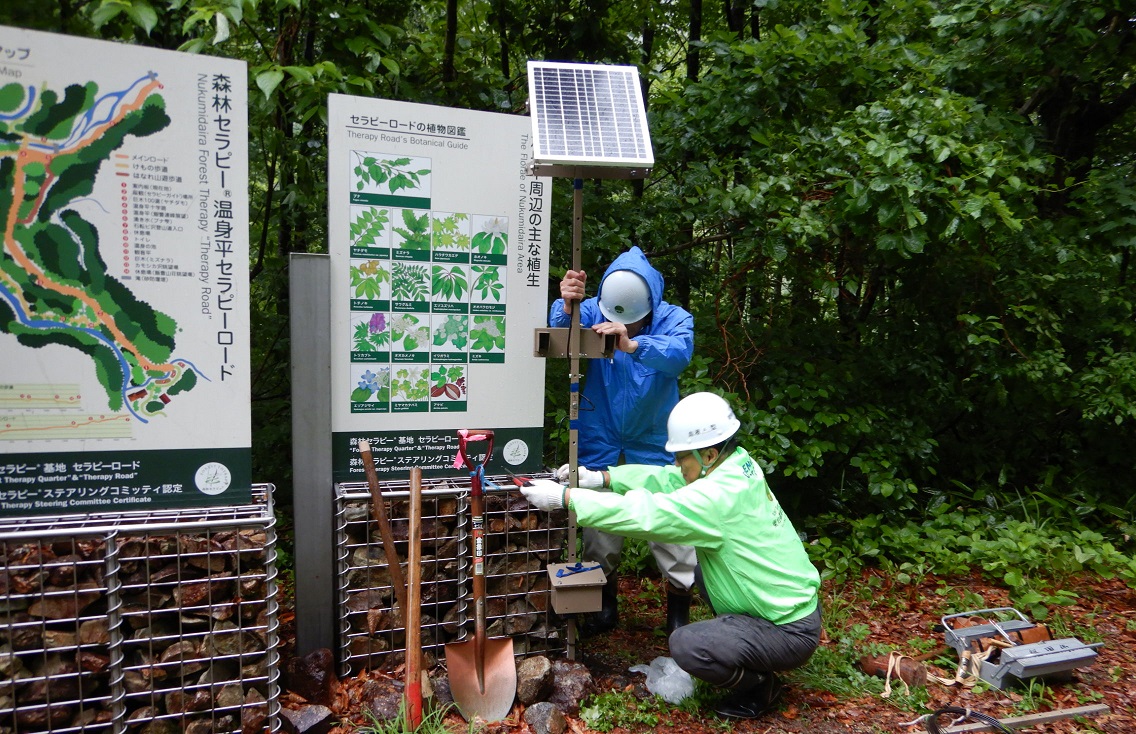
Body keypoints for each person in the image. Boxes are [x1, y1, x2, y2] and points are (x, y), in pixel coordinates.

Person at [520, 392, 822, 720]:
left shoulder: (717, 497)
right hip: (792, 607)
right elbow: (668, 479)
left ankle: (758, 684)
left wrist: (566, 498)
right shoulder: (735, 464)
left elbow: (647, 514)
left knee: (686, 645)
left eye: (682, 456)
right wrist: (605, 478)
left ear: (707, 454)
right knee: (702, 572)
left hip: (789, 630)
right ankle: (744, 643)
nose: (677, 463)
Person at [549, 245, 696, 635]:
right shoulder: (593, 309)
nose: (624, 325)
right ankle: (604, 606)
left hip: (653, 444)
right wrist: (567, 306)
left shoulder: (673, 319)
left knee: (672, 531)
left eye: (635, 320)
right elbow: (558, 338)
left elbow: (680, 354)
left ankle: (679, 614)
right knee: (600, 532)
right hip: (601, 440)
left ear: (650, 304)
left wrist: (633, 345)